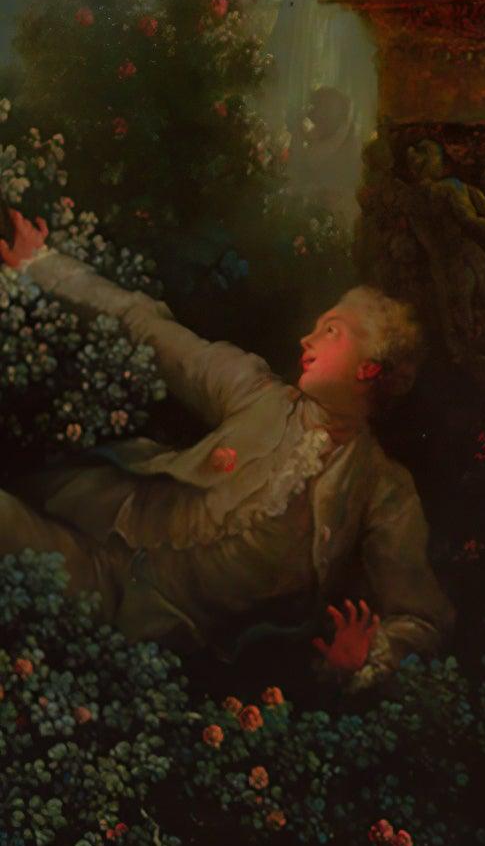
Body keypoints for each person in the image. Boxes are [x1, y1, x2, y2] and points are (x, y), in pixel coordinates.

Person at [0, 210, 453, 687]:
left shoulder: (383, 488)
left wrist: (367, 657)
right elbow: (148, 327)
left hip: (157, 639)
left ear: (369, 367)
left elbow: (423, 619)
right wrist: (44, 265)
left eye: (331, 330)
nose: (307, 338)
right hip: (90, 543)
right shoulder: (256, 391)